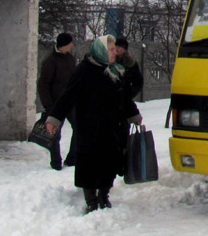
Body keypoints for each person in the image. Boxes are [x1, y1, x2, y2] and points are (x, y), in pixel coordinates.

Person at [46, 35, 142, 213]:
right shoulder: (84, 70)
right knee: (89, 164)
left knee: (110, 163)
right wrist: (54, 118)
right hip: (90, 128)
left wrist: (134, 115)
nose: (115, 53)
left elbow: (124, 97)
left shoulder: (116, 71)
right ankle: (91, 199)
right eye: (111, 50)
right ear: (101, 51)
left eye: (114, 50)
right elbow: (68, 95)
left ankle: (104, 196)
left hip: (113, 128)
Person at [36, 32, 76, 170]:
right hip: (55, 104)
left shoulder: (71, 59)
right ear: (64, 45)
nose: (72, 45)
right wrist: (48, 105)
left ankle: (72, 159)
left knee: (78, 128)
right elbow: (43, 84)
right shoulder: (50, 62)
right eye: (70, 43)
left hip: (70, 103)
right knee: (54, 134)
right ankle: (56, 162)